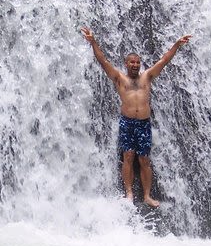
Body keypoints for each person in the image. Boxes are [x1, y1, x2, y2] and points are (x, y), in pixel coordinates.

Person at [81, 26, 192, 208]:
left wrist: (177, 45)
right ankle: (129, 193)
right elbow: (102, 61)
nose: (135, 65)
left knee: (144, 160)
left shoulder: (147, 77)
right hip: (127, 123)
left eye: (137, 62)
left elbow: (164, 60)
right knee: (128, 157)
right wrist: (93, 42)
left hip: (143, 124)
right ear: (126, 64)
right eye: (132, 62)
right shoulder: (119, 78)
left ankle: (147, 195)